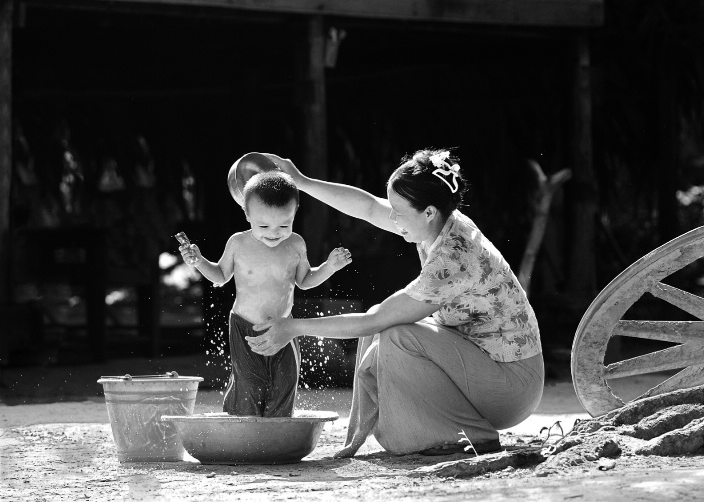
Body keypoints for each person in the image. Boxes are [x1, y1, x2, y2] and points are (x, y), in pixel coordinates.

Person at [246, 149, 545, 456]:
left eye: (398, 211)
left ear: (427, 212)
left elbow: (371, 323)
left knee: (394, 333)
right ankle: (362, 434)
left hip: (511, 388)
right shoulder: (437, 221)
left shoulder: (453, 258)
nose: (390, 216)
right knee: (383, 322)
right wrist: (301, 181)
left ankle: (471, 437)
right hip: (482, 364)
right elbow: (368, 207)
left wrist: (293, 327)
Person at [179, 170, 352, 416]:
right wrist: (199, 262)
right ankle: (245, 431)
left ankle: (277, 434)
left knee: (286, 381)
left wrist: (329, 267)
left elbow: (304, 281)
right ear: (247, 214)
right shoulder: (238, 243)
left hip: (284, 326)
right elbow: (220, 275)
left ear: (294, 214)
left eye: (284, 224)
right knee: (250, 382)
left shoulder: (296, 244)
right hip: (244, 325)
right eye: (263, 225)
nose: (274, 232)